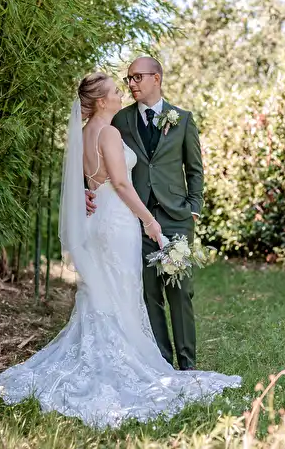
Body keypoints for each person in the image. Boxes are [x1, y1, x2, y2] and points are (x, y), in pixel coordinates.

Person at [0, 73, 239, 428]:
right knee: (123, 291)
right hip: (116, 221)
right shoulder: (110, 132)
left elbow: (90, 182)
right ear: (101, 101)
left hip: (98, 219)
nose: (121, 94)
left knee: (105, 292)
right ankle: (118, 362)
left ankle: (100, 352)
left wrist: (92, 194)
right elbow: (120, 182)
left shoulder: (84, 135)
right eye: (115, 91)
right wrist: (149, 220)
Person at [86, 57, 204, 370]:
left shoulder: (183, 118)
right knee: (149, 293)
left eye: (138, 77)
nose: (132, 84)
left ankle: (188, 363)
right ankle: (162, 360)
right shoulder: (119, 120)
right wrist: (88, 189)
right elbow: (98, 157)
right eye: (128, 79)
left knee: (180, 290)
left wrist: (194, 207)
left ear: (157, 78)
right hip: (135, 218)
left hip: (176, 218)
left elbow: (194, 169)